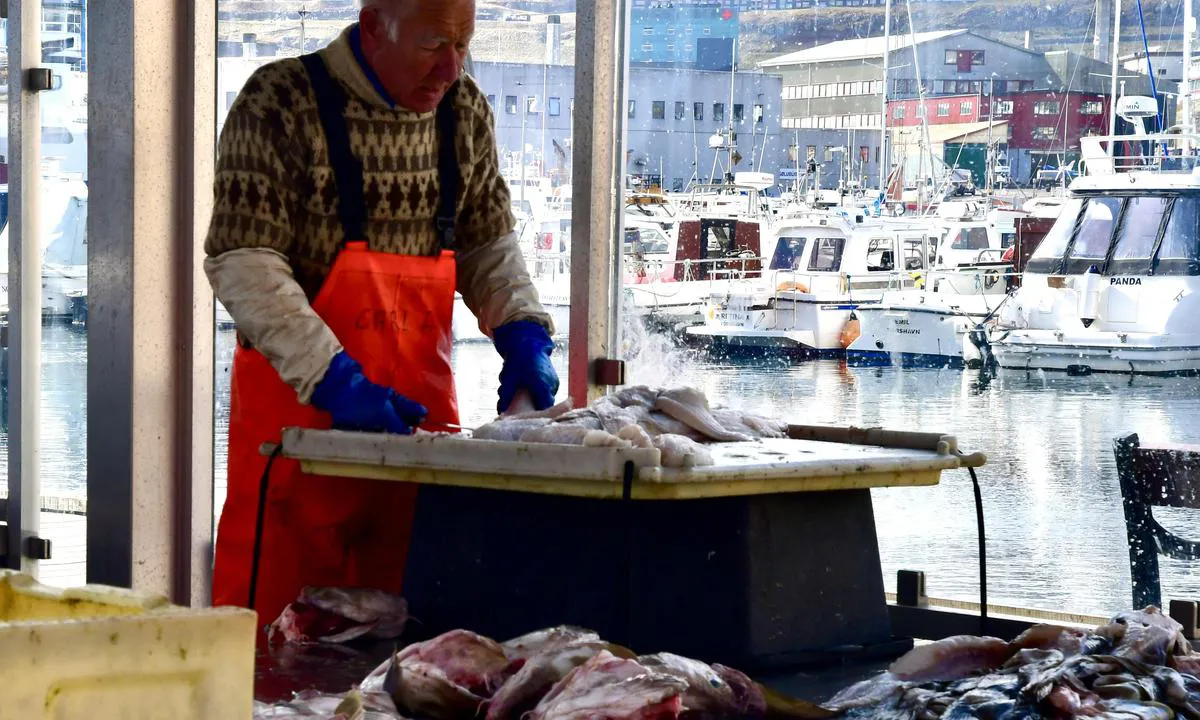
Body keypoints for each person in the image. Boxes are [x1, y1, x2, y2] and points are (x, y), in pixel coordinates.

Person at [204, 0, 559, 624]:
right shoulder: (279, 102)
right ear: (373, 26)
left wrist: (522, 329)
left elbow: (486, 244)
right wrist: (331, 378)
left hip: (419, 457)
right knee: (281, 660)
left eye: (463, 46)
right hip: (299, 450)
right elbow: (242, 257)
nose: (450, 68)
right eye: (432, 46)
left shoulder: (464, 111)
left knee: (418, 654)